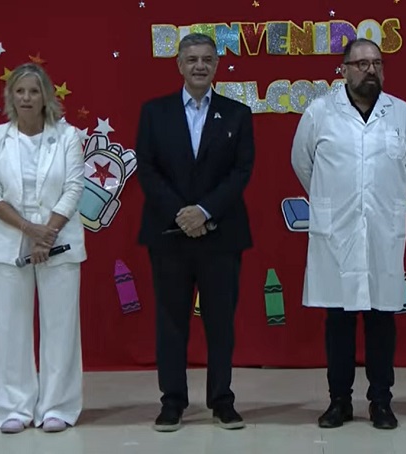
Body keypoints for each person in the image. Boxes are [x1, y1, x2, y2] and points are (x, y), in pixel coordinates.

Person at [290, 38, 406, 430]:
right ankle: (339, 401)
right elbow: (303, 164)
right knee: (339, 322)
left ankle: (381, 401)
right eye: (361, 64)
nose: (370, 70)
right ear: (344, 69)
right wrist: (335, 199)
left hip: (383, 230)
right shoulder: (319, 113)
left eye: (376, 63)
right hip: (338, 233)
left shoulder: (402, 114)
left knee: (382, 320)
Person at [135, 33, 255, 432]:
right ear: (179, 65)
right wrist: (181, 214)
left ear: (217, 65)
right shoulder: (154, 112)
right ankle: (172, 402)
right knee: (171, 322)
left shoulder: (237, 114)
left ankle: (222, 401)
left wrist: (203, 211)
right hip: (168, 234)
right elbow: (147, 168)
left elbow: (241, 171)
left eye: (206, 59)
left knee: (220, 323)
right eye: (192, 59)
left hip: (221, 234)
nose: (199, 66)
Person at [0, 62, 87, 434]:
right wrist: (29, 230)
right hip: (9, 245)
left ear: (46, 97)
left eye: (34, 91)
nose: (26, 98)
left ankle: (58, 406)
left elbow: (73, 188)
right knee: (10, 327)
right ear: (11, 96)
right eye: (20, 91)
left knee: (60, 327)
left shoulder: (68, 136)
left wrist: (47, 234)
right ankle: (14, 407)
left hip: (60, 242)